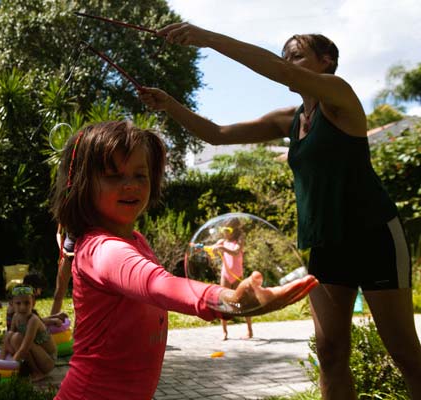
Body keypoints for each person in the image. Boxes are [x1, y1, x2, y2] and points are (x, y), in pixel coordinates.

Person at [139, 24, 421, 399]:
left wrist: (206, 37)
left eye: (297, 54)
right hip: (325, 245)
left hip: (373, 237)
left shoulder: (339, 96)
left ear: (327, 61)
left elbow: (281, 73)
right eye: (285, 54)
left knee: (404, 353)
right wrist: (169, 104)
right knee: (331, 354)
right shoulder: (288, 119)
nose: (288, 62)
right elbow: (217, 134)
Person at [49, 121, 317, 399]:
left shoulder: (136, 240)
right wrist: (227, 299)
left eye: (140, 175)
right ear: (82, 183)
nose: (130, 185)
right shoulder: (101, 250)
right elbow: (158, 285)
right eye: (113, 176)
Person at [1, 285, 57, 381]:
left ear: (33, 303)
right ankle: (29, 369)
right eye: (18, 303)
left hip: (47, 361)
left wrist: (9, 366)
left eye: (27, 303)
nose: (23, 307)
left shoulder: (33, 320)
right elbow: (7, 339)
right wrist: (0, 362)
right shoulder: (15, 317)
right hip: (36, 356)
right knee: (11, 336)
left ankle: (37, 372)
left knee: (19, 339)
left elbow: (25, 347)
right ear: (12, 304)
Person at [212, 218, 253, 340]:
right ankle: (224, 332)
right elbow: (213, 251)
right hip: (226, 275)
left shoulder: (239, 241)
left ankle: (250, 331)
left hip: (237, 276)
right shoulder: (222, 241)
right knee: (223, 302)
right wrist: (213, 249)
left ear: (234, 230)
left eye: (228, 229)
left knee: (243, 302)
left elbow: (236, 252)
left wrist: (222, 248)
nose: (225, 232)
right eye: (223, 229)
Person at [51, 223, 74, 316]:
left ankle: (78, 328)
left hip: (83, 255)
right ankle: (52, 323)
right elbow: (59, 233)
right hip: (67, 254)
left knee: (80, 296)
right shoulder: (65, 213)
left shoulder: (88, 212)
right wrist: (62, 249)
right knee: (59, 293)